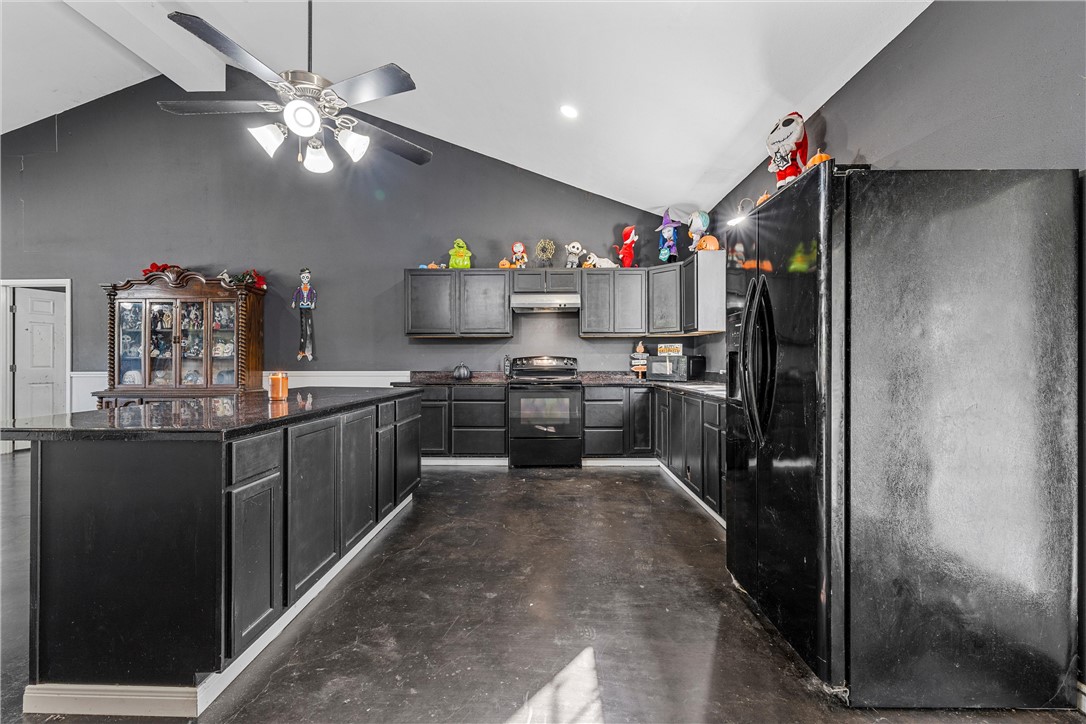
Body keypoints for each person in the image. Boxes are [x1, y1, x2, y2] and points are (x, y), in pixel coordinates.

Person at [291, 267, 317, 361]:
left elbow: (314, 294)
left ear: (309, 277)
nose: (305, 279)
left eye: (307, 277)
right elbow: (295, 294)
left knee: (309, 330)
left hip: (308, 307)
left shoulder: (310, 288)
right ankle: (301, 351)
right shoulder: (299, 288)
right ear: (301, 277)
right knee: (303, 329)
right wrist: (294, 301)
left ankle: (308, 352)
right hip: (302, 307)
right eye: (303, 277)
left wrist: (313, 302)